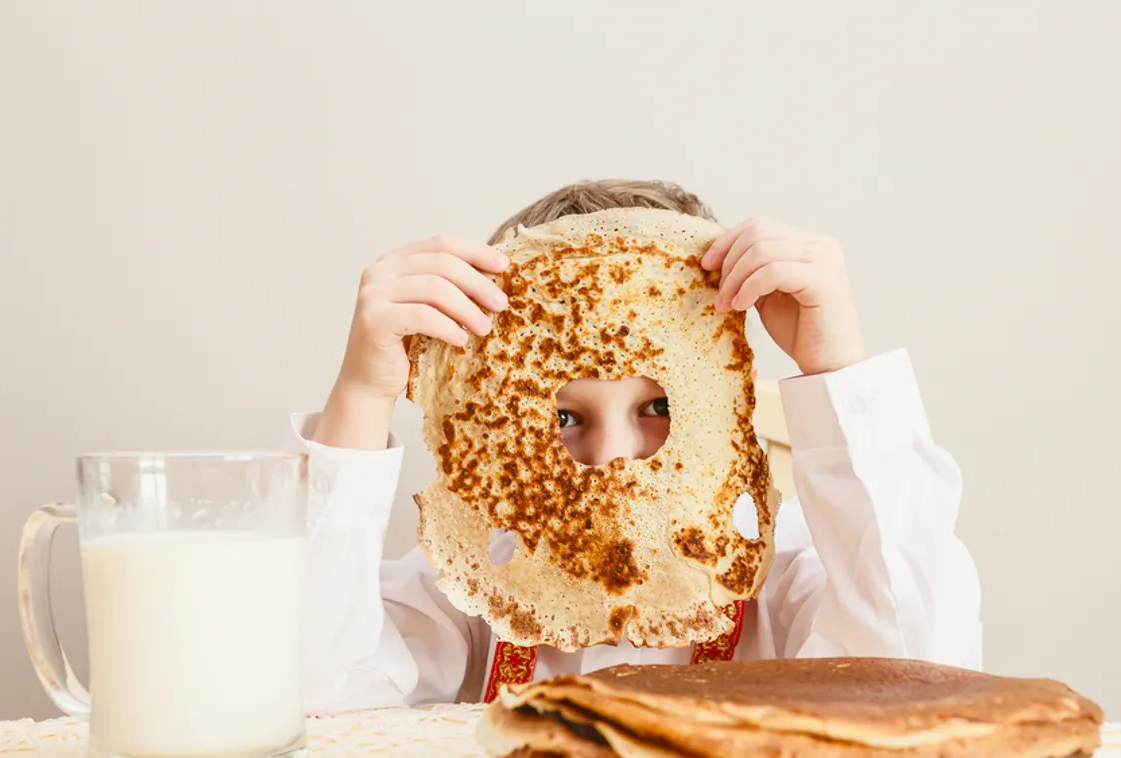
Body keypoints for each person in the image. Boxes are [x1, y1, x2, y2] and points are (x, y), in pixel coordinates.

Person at [288, 179, 981, 714]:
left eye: (659, 406)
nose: (612, 457)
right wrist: (359, 396)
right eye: (563, 418)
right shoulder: (477, 590)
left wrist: (837, 371)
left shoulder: (791, 576)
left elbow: (916, 675)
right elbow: (306, 696)